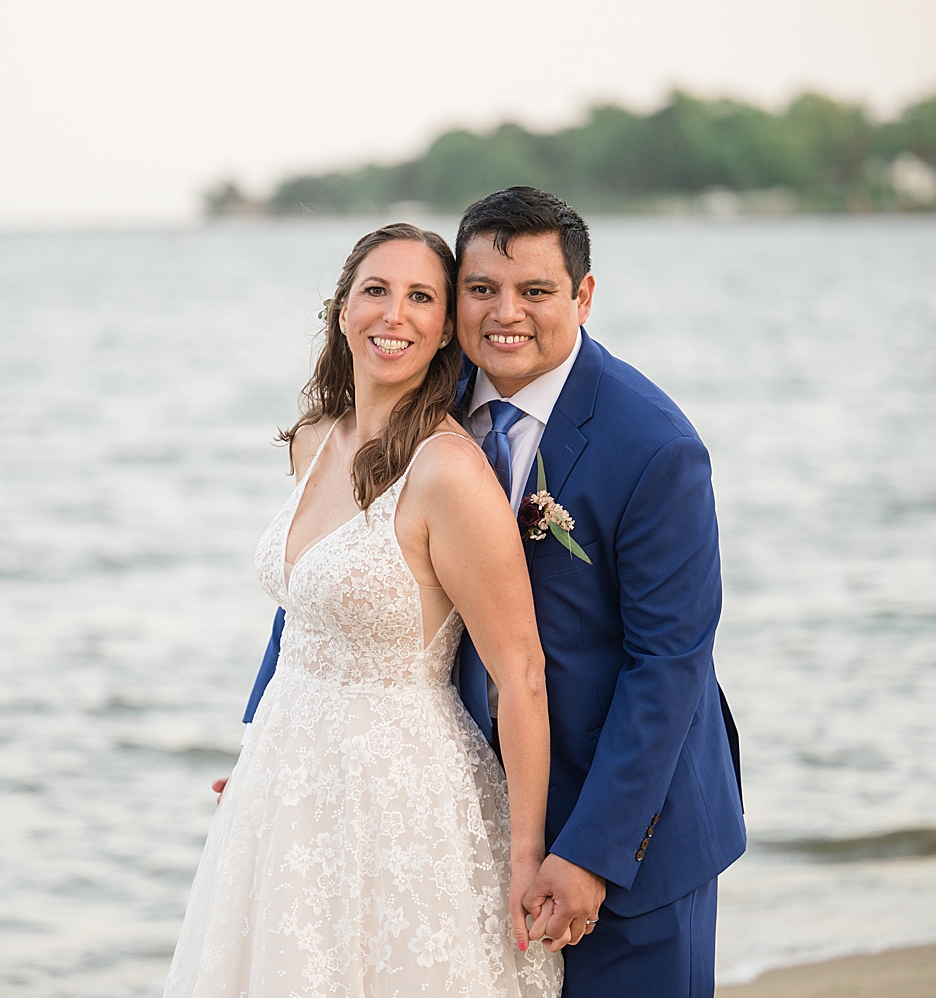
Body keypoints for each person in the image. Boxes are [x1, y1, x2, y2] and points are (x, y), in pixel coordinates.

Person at [239, 188, 746, 997]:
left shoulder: (654, 446)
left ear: (583, 296)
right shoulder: (425, 395)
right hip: (458, 822)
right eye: (482, 290)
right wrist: (275, 733)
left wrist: (589, 853)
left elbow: (671, 665)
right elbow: (335, 559)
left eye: (536, 292)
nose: (505, 315)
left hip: (630, 828)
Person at [164, 223, 563, 997]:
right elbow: (307, 615)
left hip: (399, 795)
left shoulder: (449, 471)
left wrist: (526, 855)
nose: (395, 314)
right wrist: (259, 751)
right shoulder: (313, 439)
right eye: (376, 290)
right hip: (284, 784)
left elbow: (521, 673)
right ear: (342, 308)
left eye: (422, 297)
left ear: (446, 327)